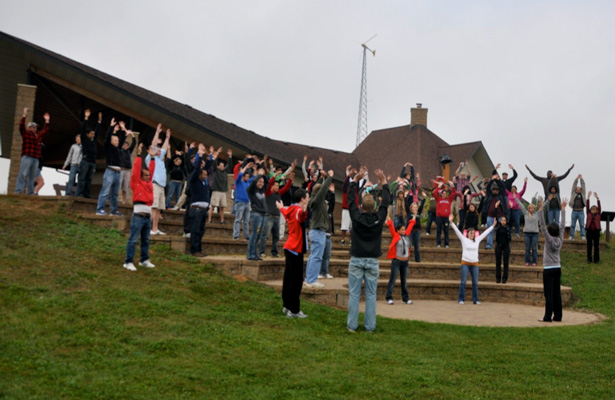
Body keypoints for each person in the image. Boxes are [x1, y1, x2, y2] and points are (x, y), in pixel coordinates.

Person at [346, 167, 390, 333]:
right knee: (371, 295)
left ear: (362, 207)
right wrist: (384, 182)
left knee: (354, 294)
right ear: (373, 208)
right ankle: (370, 327)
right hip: (372, 261)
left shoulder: (356, 217)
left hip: (357, 259)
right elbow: (386, 202)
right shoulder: (379, 218)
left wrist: (355, 181)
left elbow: (350, 201)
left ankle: (352, 326)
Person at [123, 144, 156, 271]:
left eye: (149, 175)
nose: (148, 177)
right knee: (133, 240)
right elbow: (136, 170)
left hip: (147, 217)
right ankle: (128, 261)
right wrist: (138, 155)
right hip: (138, 217)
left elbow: (151, 172)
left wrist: (153, 158)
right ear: (141, 176)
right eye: (146, 175)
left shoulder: (149, 184)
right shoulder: (136, 183)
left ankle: (144, 260)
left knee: (146, 240)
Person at [450, 213, 496, 305]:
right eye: (470, 233)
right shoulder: (464, 239)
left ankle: (475, 299)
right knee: (463, 282)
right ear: (467, 234)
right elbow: (457, 231)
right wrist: (451, 222)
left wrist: (493, 225)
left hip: (475, 264)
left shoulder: (477, 240)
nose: (472, 234)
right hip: (465, 263)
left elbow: (486, 233)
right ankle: (461, 299)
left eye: (473, 233)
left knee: (475, 282)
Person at [277, 189, 310, 318]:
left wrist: (280, 207)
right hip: (296, 249)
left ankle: (286, 305)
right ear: (302, 199)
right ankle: (294, 310)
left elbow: (285, 212)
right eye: (307, 197)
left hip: (290, 248)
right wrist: (304, 210)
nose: (308, 199)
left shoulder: (290, 209)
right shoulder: (297, 210)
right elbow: (301, 216)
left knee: (288, 279)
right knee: (296, 281)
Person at [537, 198, 567, 322]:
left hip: (548, 269)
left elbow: (542, 225)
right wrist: (563, 210)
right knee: (556, 293)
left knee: (548, 294)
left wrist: (540, 210)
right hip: (557, 268)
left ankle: (548, 316)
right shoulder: (560, 239)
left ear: (549, 231)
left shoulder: (549, 239)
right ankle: (558, 316)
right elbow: (563, 226)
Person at [304, 169, 334, 288]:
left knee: (314, 257)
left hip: (318, 232)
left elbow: (317, 190)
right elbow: (321, 191)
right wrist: (329, 177)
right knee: (316, 257)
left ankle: (309, 279)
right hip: (318, 232)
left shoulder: (316, 200)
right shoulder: (317, 200)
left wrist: (322, 178)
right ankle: (311, 280)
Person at [96, 118, 128, 216]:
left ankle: (114, 210)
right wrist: (111, 127)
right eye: (115, 140)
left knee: (115, 194)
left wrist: (123, 129)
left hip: (118, 173)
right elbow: (107, 137)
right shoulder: (108, 147)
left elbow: (122, 140)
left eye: (117, 140)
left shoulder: (118, 149)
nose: (117, 141)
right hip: (110, 171)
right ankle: (99, 209)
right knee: (105, 191)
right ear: (111, 141)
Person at [15, 107, 50, 195]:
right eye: (33, 127)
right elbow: (21, 127)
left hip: (36, 158)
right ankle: (19, 191)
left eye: (36, 127)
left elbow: (45, 131)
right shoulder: (26, 134)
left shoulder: (38, 136)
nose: (35, 128)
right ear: (29, 127)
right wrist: (24, 115)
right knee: (23, 173)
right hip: (27, 156)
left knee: (32, 176)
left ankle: (30, 192)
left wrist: (47, 121)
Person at [260, 170, 293, 258]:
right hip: (269, 216)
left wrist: (289, 180)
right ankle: (261, 252)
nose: (277, 187)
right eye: (276, 185)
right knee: (265, 236)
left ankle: (274, 252)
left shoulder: (279, 194)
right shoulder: (268, 193)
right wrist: (274, 176)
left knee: (276, 236)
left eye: (278, 185)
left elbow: (285, 188)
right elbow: (269, 184)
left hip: (277, 217)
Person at [145, 124, 171, 235]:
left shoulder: (160, 160)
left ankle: (155, 229)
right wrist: (157, 133)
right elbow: (154, 144)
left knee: (159, 208)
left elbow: (164, 148)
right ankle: (148, 228)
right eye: (158, 149)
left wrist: (167, 138)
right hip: (154, 184)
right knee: (153, 207)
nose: (160, 151)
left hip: (161, 186)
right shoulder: (150, 158)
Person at [385, 216, 416, 305]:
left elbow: (410, 225)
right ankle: (389, 297)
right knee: (393, 280)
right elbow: (391, 226)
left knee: (404, 281)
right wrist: (388, 218)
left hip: (405, 262)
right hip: (396, 261)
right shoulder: (395, 235)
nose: (404, 231)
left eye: (404, 229)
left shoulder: (406, 235)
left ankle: (405, 298)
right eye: (402, 229)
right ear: (398, 230)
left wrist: (414, 216)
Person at [188, 146, 212, 257]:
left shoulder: (204, 183)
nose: (206, 176)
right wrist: (201, 155)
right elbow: (197, 169)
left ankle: (199, 249)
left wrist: (210, 158)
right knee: (196, 230)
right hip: (196, 210)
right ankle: (194, 250)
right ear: (199, 175)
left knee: (201, 231)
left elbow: (206, 168)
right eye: (204, 175)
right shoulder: (194, 181)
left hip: (203, 210)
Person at [75, 109, 101, 198]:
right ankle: (79, 193)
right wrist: (86, 118)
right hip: (85, 161)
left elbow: (97, 132)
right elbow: (82, 130)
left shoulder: (93, 141)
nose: (93, 135)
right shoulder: (85, 139)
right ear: (87, 134)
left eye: (93, 133)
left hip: (92, 162)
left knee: (89, 179)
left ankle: (87, 193)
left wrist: (99, 121)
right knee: (82, 178)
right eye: (91, 133)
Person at [246, 170, 268, 261]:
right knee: (254, 234)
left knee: (258, 235)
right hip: (256, 214)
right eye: (260, 182)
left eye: (262, 182)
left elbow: (267, 182)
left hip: (263, 214)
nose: (261, 183)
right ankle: (250, 254)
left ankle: (255, 253)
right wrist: (258, 175)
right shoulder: (252, 190)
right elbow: (253, 183)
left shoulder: (262, 190)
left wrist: (264, 175)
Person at [208, 148, 233, 224]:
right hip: (216, 191)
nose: (222, 166)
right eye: (220, 165)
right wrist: (217, 154)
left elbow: (230, 165)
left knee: (222, 207)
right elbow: (214, 164)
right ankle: (209, 220)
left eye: (223, 165)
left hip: (223, 192)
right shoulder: (216, 171)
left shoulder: (225, 172)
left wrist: (230, 156)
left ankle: (222, 221)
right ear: (218, 166)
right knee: (212, 206)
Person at [515, 198, 540, 266]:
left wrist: (547, 201)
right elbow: (521, 206)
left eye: (532, 208)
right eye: (530, 208)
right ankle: (527, 261)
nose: (531, 209)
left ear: (534, 209)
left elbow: (542, 208)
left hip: (535, 233)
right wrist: (516, 199)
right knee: (527, 248)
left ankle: (534, 261)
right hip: (527, 233)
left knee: (534, 248)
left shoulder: (537, 214)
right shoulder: (526, 213)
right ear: (528, 209)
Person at [233, 162, 254, 241]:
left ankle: (246, 236)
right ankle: (236, 235)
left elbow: (254, 177)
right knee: (238, 219)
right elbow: (239, 175)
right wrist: (245, 167)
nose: (248, 178)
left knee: (246, 221)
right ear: (243, 177)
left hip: (247, 203)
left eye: (248, 177)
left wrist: (255, 169)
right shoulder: (238, 182)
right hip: (240, 202)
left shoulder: (248, 183)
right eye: (246, 177)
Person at [433, 180, 456, 248]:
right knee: (439, 231)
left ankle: (446, 244)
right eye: (443, 193)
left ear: (446, 194)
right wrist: (439, 187)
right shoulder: (438, 199)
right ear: (441, 194)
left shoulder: (449, 200)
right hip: (439, 217)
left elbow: (454, 193)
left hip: (446, 218)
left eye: (445, 193)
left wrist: (452, 186)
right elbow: (434, 193)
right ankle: (438, 243)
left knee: (446, 231)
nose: (444, 194)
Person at [118, 131, 136, 204]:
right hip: (121, 170)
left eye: (126, 145)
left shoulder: (129, 151)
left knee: (125, 187)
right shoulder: (120, 151)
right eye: (124, 145)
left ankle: (124, 201)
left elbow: (133, 144)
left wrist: (132, 135)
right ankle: (116, 199)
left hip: (127, 170)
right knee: (118, 185)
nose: (125, 146)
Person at [493, 216, 511, 283]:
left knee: (506, 263)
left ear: (506, 221)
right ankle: (498, 277)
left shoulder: (508, 227)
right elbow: (496, 215)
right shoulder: (498, 227)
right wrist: (496, 207)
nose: (503, 222)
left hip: (506, 245)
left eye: (504, 220)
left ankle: (505, 278)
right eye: (502, 220)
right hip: (499, 245)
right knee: (498, 262)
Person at [569, 175, 586, 240]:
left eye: (579, 189)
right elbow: (574, 185)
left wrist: (581, 179)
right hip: (574, 211)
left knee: (582, 225)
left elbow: (583, 186)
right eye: (577, 189)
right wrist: (576, 179)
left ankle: (583, 236)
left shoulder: (583, 194)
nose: (578, 190)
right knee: (573, 225)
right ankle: (571, 236)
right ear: (576, 190)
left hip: (581, 211)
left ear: (581, 190)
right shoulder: (573, 193)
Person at [586, 191, 601, 264]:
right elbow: (587, 206)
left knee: (596, 246)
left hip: (596, 231)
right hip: (589, 231)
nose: (593, 210)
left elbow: (599, 206)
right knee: (589, 245)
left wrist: (597, 198)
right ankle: (589, 259)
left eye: (594, 209)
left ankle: (596, 259)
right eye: (592, 209)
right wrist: (588, 197)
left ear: (597, 210)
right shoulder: (588, 213)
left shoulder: (598, 214)